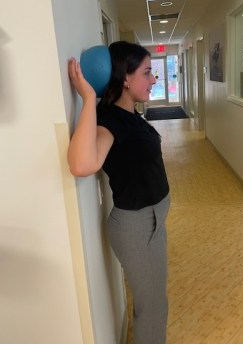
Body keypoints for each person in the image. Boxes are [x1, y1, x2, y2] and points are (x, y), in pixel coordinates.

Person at [67, 41, 170, 344]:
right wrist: (87, 98)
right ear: (125, 77)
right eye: (148, 72)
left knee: (156, 300)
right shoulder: (111, 121)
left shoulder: (130, 114)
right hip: (138, 226)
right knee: (151, 306)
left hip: (152, 222)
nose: (154, 79)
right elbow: (82, 164)